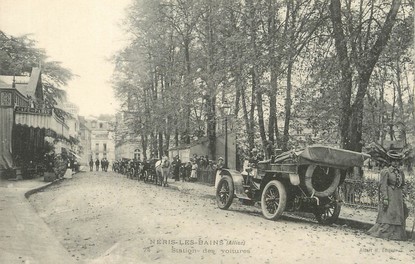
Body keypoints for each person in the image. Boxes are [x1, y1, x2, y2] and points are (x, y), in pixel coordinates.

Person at [367, 151, 408, 241]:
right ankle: (384, 233)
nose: (396, 163)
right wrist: (385, 198)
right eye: (394, 161)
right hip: (390, 195)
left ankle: (397, 235)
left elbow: (403, 184)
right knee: (389, 213)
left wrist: (404, 193)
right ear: (390, 161)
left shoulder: (401, 172)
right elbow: (383, 185)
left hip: (398, 196)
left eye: (397, 161)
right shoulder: (386, 172)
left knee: (398, 214)